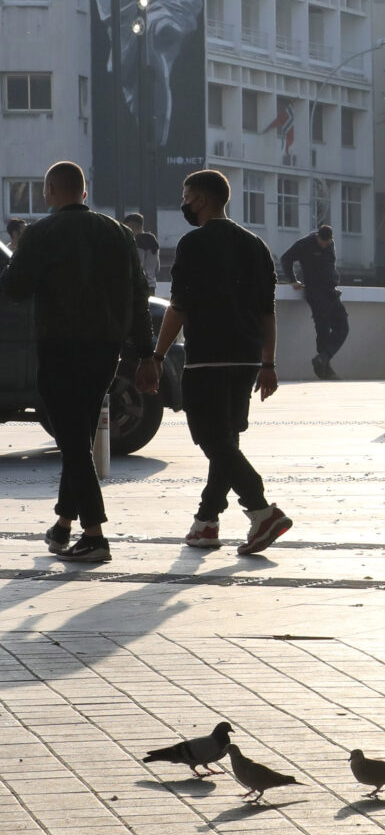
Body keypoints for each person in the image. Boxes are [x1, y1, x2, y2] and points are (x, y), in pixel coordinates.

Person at [0, 162, 152, 562]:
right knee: (78, 438)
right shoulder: (119, 233)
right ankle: (64, 525)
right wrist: (148, 353)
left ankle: (95, 534)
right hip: (105, 350)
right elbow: (139, 294)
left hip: (60, 347)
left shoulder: (41, 233)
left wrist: (21, 259)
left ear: (51, 189)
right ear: (84, 193)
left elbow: (15, 289)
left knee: (73, 442)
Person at [134, 170, 292, 554]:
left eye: (186, 196)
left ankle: (261, 510)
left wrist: (156, 355)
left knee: (212, 440)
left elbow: (179, 307)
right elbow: (267, 312)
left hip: (207, 359)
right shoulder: (256, 246)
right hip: (246, 360)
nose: (184, 203)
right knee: (226, 441)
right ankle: (207, 522)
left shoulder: (193, 244)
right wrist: (268, 363)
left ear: (201, 199)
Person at [281, 222, 347, 379]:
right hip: (315, 291)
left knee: (343, 326)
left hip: (330, 291)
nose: (324, 245)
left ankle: (323, 358)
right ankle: (324, 367)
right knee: (322, 328)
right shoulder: (305, 244)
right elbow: (286, 259)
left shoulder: (330, 244)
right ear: (318, 236)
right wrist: (293, 280)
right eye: (322, 242)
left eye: (327, 242)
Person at [122, 211, 161, 284]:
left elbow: (138, 264)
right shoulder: (152, 241)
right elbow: (157, 268)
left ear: (132, 226)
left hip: (138, 285)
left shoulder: (138, 241)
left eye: (127, 228)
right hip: (151, 283)